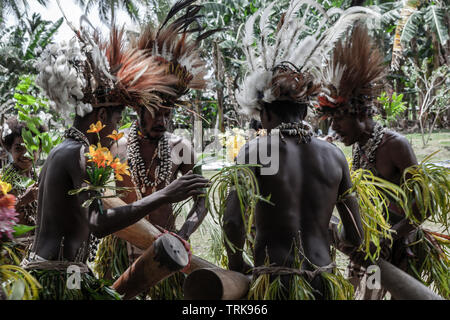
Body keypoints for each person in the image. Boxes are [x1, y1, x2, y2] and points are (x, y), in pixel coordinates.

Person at [22, 21, 209, 300]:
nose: (117, 131)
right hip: (58, 273)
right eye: (117, 121)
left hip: (65, 272)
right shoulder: (79, 153)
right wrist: (165, 194)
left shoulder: (64, 150)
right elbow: (98, 221)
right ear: (100, 118)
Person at [223, 1, 364, 300]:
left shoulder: (254, 152)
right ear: (304, 110)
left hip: (275, 284)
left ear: (266, 114)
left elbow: (233, 221)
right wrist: (328, 232)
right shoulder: (335, 156)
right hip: (324, 283)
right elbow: (356, 236)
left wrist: (237, 264)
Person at [98, 0, 217, 300]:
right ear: (139, 108)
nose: (162, 120)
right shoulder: (115, 146)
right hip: (121, 254)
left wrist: (184, 234)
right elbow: (97, 198)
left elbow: (201, 202)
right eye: (155, 112)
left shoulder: (182, 148)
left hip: (169, 253)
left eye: (168, 114)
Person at [315, 24, 428, 299]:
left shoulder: (395, 145)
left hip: (400, 248)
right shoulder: (359, 146)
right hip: (371, 248)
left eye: (338, 120)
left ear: (360, 113)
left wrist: (389, 236)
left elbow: (424, 205)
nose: (334, 129)